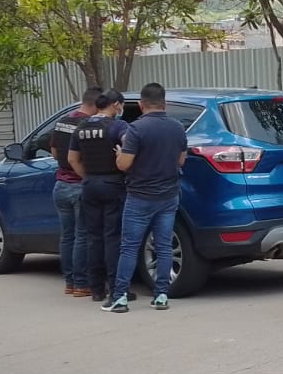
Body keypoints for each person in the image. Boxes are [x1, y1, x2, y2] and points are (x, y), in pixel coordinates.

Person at [103, 82, 189, 314]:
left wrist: (120, 155)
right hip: (168, 196)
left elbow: (124, 164)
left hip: (139, 196)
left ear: (141, 104)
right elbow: (181, 161)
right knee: (163, 246)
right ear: (164, 103)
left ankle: (119, 297)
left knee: (129, 247)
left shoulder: (136, 129)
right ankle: (161, 295)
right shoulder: (177, 128)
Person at [69, 91, 132, 303]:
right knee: (112, 237)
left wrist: (88, 177)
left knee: (93, 238)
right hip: (113, 184)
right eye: (121, 105)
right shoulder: (118, 127)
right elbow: (129, 147)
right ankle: (116, 288)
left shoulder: (82, 126)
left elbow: (72, 159)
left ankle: (96, 289)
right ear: (115, 105)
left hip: (89, 185)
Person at [51, 86, 100, 296]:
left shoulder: (62, 121)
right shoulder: (87, 125)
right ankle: (82, 283)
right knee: (82, 236)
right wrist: (86, 176)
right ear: (96, 105)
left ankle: (70, 282)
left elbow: (54, 151)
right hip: (80, 186)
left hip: (60, 185)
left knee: (67, 236)